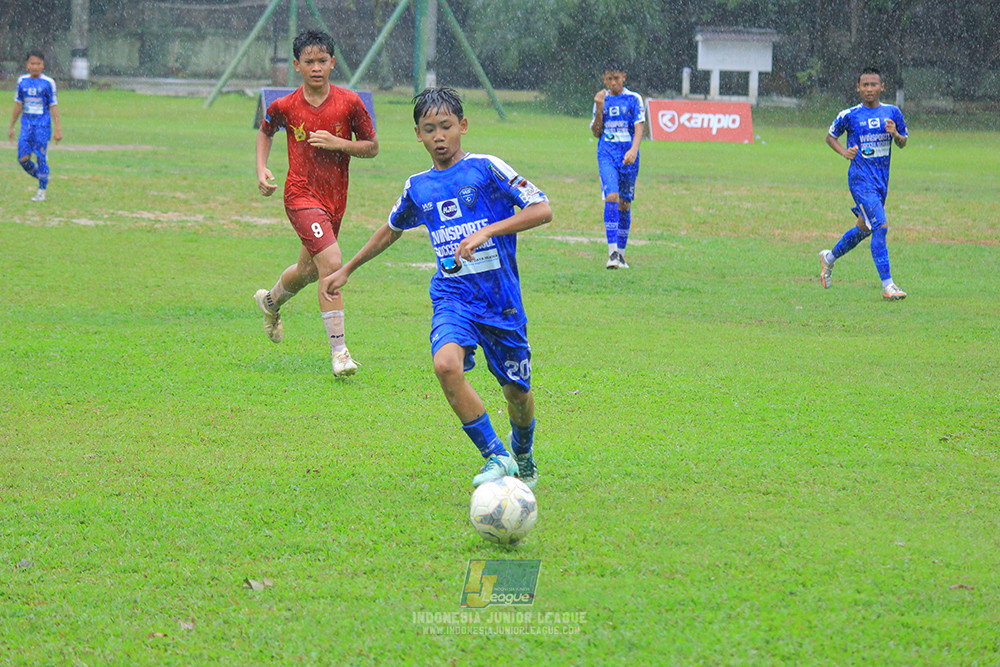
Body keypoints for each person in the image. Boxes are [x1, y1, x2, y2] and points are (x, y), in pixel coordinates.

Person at [319, 88, 552, 488]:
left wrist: (487, 231)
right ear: (418, 134)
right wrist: (349, 269)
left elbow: (542, 210)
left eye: (446, 126)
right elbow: (390, 230)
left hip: (501, 302)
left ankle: (523, 450)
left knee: (517, 393)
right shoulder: (419, 187)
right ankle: (496, 456)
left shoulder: (486, 168)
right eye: (430, 129)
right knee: (446, 365)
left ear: (462, 126)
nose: (439, 136)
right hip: (452, 296)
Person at [253, 30, 378, 376]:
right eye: (309, 61)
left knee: (309, 271)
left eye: (322, 60)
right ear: (297, 65)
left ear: (333, 63)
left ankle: (270, 301)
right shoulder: (285, 106)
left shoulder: (350, 103)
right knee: (332, 262)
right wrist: (262, 169)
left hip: (335, 200)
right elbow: (265, 131)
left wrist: (340, 143)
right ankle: (340, 353)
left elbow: (371, 146)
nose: (316, 67)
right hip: (300, 195)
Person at [820, 66, 908, 301]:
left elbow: (903, 142)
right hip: (860, 180)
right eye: (865, 85)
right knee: (880, 226)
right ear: (858, 88)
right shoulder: (849, 115)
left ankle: (829, 257)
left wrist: (896, 134)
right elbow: (830, 137)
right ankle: (888, 285)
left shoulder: (892, 113)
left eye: (874, 85)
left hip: (881, 181)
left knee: (864, 229)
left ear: (882, 87)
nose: (869, 89)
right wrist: (844, 152)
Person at [590, 61, 644, 269]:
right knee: (611, 196)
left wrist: (633, 150)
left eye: (617, 78)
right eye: (609, 79)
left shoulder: (633, 98)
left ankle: (621, 254)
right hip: (607, 154)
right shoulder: (600, 99)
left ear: (624, 77)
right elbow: (596, 132)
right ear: (604, 80)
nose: (613, 83)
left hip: (628, 156)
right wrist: (599, 107)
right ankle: (612, 253)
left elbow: (639, 128)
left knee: (625, 204)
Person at [9, 50, 61, 202]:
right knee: (23, 159)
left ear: (43, 65)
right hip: (26, 126)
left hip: (42, 126)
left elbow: (53, 106)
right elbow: (18, 104)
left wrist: (58, 128)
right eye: (32, 63)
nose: (35, 66)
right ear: (27, 65)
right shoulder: (22, 81)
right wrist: (12, 125)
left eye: (38, 63)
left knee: (41, 158)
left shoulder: (48, 83)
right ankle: (43, 177)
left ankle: (41, 190)